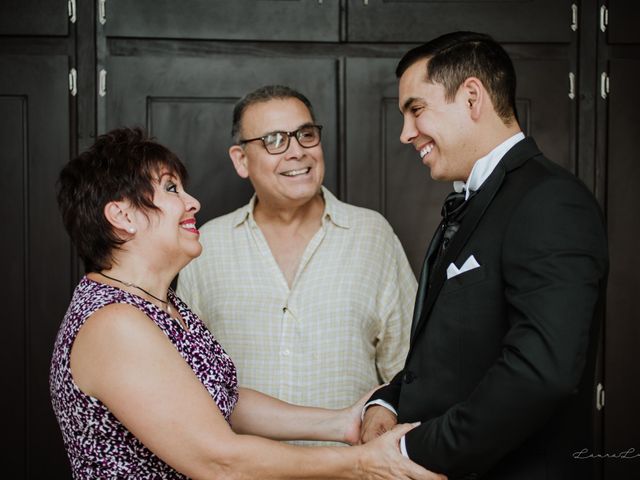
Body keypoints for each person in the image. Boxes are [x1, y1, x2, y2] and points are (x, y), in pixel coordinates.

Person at [49, 127, 444, 479]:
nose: (193, 203)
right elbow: (219, 461)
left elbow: (223, 401)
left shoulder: (163, 305)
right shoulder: (114, 323)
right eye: (171, 189)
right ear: (123, 216)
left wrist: (340, 424)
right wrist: (360, 464)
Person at [360, 32, 608, 479]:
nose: (405, 133)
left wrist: (410, 449)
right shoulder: (475, 199)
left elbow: (539, 373)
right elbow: (455, 352)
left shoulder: (550, 201)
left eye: (416, 110)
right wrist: (387, 401)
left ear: (472, 97)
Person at [177, 85, 416, 424]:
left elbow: (407, 368)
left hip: (351, 469)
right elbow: (186, 380)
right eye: (274, 140)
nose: (297, 152)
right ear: (241, 160)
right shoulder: (205, 247)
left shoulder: (372, 235)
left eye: (306, 134)